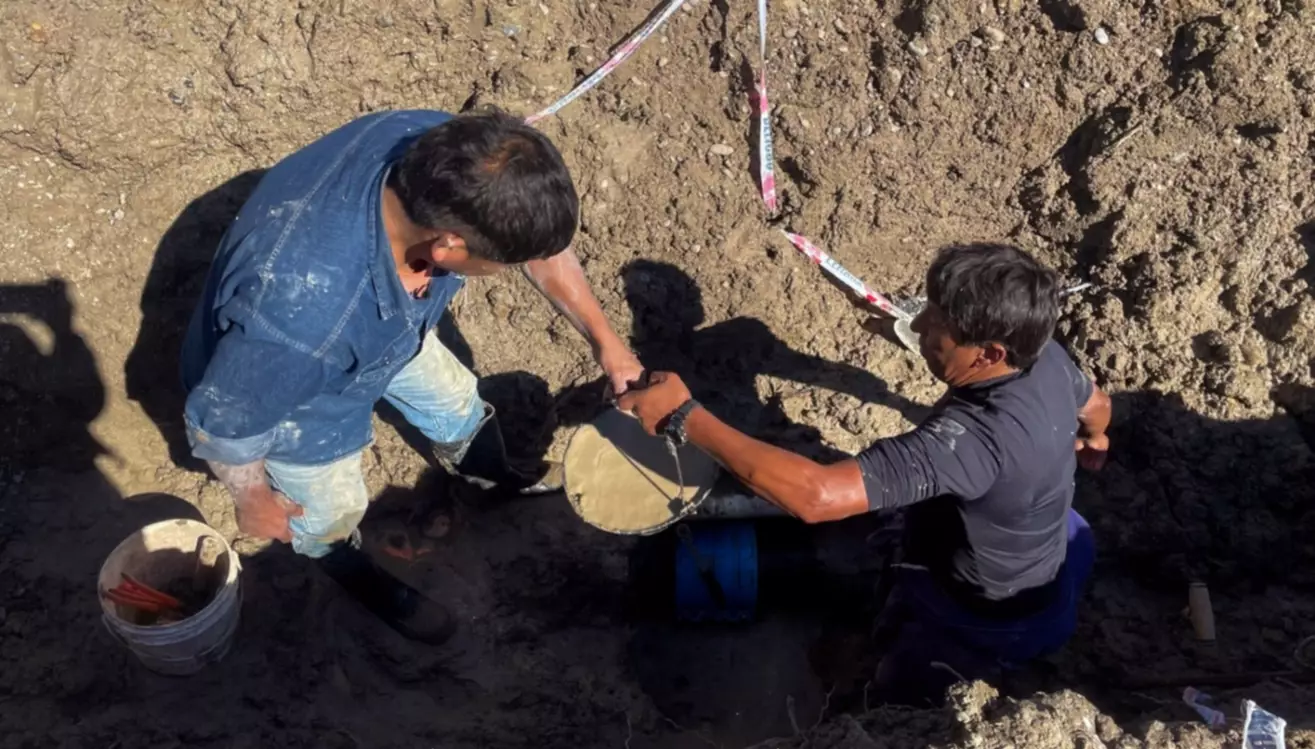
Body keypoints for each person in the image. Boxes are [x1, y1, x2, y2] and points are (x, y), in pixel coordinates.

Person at [181, 108, 643, 642]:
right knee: (332, 506)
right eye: (502, 264)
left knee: (456, 400)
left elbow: (536, 245)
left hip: (388, 325)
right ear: (447, 246)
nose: (509, 269)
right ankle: (346, 564)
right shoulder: (301, 318)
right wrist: (253, 501)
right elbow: (226, 427)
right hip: (292, 396)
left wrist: (608, 345)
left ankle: (490, 476)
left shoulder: (447, 153)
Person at [618, 243, 1111, 705]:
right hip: (1050, 554)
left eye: (938, 323)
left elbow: (817, 497)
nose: (918, 326)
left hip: (982, 616)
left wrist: (684, 416)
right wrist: (1096, 439)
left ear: (989, 354)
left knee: (903, 690)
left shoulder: (969, 442)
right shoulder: (1043, 356)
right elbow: (1097, 405)